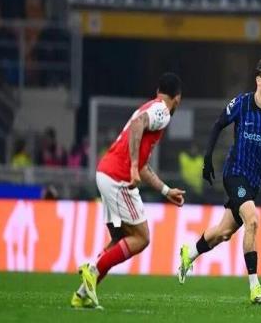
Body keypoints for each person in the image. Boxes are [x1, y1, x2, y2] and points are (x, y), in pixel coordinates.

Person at [71, 72, 186, 309]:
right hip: (118, 178)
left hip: (106, 173)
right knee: (141, 238)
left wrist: (166, 191)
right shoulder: (162, 110)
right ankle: (93, 269)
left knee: (120, 239)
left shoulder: (150, 107)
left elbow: (143, 166)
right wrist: (132, 166)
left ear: (158, 91)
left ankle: (81, 295)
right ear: (178, 98)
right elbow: (137, 125)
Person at [177, 59, 261, 304]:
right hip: (234, 174)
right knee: (252, 220)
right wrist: (207, 160)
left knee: (223, 233)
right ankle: (255, 287)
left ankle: (189, 254)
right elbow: (218, 125)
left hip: (253, 182)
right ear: (258, 80)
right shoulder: (242, 104)